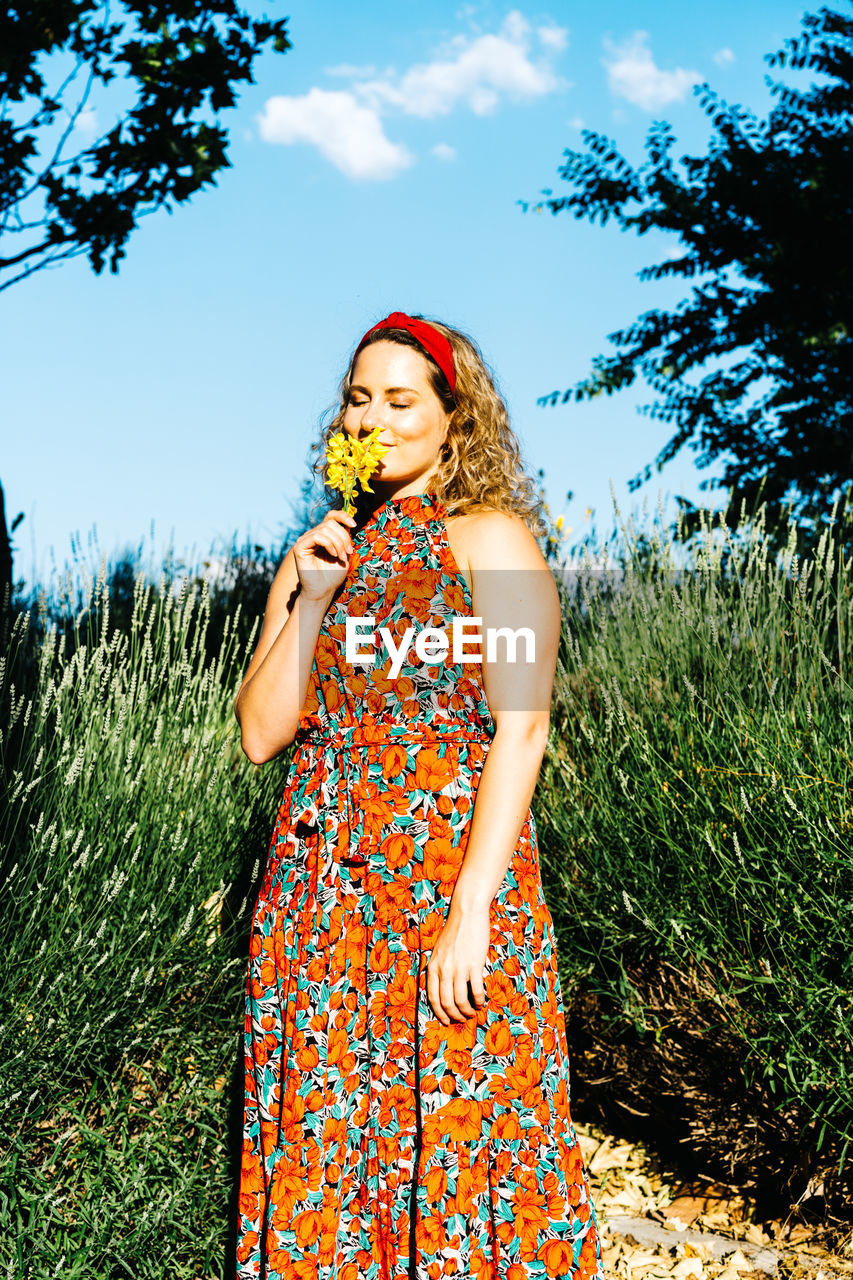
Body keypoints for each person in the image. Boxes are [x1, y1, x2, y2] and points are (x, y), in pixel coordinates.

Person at [233, 312, 603, 1280]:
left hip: (449, 880)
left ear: (454, 418)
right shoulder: (313, 553)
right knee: (330, 1123)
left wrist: (472, 910)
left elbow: (521, 728)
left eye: (402, 400)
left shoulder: (492, 542)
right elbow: (261, 731)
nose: (375, 418)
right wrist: (312, 594)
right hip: (319, 896)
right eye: (360, 398)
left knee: (465, 1112)